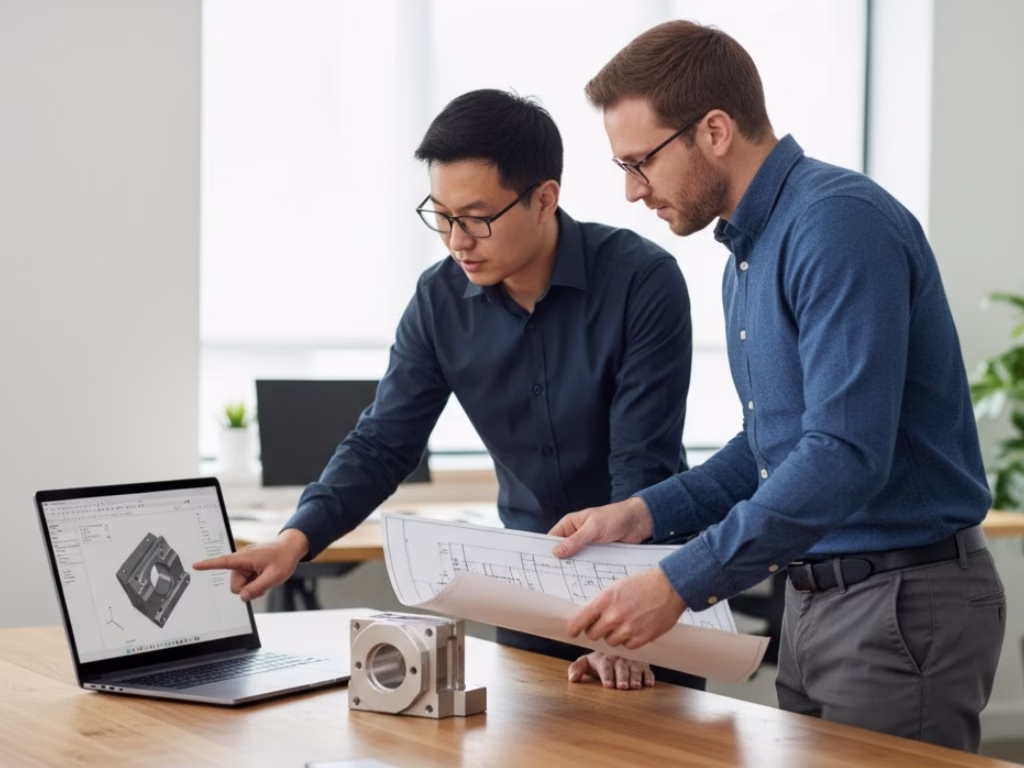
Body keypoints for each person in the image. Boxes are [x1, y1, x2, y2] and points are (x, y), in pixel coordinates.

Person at [547, 20, 1005, 751]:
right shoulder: (747, 255)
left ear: (717, 130)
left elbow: (843, 453)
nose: (632, 191)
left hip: (898, 599)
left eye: (641, 163)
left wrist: (676, 584)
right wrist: (640, 513)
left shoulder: (835, 225)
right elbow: (772, 447)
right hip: (820, 600)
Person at [195, 88, 702, 692]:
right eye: (441, 216)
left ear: (545, 198)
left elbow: (639, 463)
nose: (457, 239)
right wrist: (295, 539)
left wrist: (620, 616)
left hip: (649, 586)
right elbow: (383, 442)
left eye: (477, 217)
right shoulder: (438, 301)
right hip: (532, 588)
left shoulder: (642, 281)